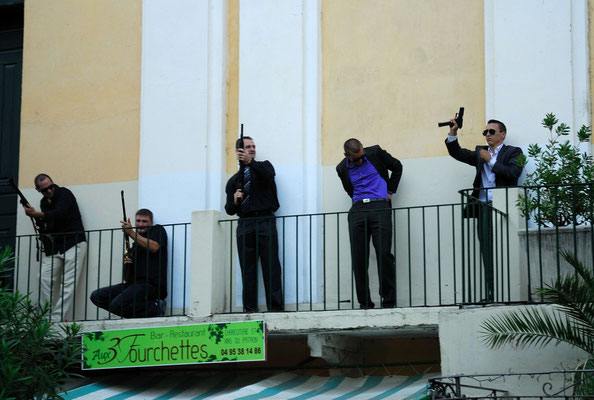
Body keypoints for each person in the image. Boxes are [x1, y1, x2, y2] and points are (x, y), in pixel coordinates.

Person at [445, 117, 523, 301]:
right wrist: (453, 132)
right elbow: (458, 153)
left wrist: (492, 162)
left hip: (503, 207)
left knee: (506, 250)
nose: (487, 134)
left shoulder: (513, 152)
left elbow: (513, 174)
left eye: (491, 131)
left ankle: (508, 292)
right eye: (485, 132)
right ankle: (492, 293)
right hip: (483, 208)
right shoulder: (480, 152)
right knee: (486, 251)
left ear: (502, 134)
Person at [336, 139, 403, 309]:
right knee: (359, 258)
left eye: (361, 157)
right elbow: (349, 189)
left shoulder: (375, 152)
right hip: (357, 209)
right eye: (355, 159)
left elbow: (397, 166)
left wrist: (389, 192)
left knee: (384, 254)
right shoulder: (341, 168)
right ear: (346, 156)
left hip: (379, 206)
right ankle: (364, 303)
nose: (360, 161)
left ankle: (388, 301)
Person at [225, 136, 284, 312]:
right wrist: (235, 201)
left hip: (265, 220)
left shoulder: (264, 166)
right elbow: (229, 209)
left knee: (271, 266)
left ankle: (275, 308)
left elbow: (268, 176)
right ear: (238, 152)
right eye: (248, 147)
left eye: (253, 146)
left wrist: (251, 163)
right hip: (245, 224)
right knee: (247, 269)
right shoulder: (234, 180)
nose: (252, 149)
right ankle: (249, 309)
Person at [23, 173, 87, 322]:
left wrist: (38, 214)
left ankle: (56, 319)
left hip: (74, 242)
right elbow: (49, 222)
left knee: (68, 283)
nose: (50, 190)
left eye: (51, 186)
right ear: (38, 190)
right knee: (44, 278)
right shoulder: (44, 203)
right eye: (45, 189)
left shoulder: (65, 193)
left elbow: (61, 213)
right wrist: (36, 217)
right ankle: (48, 315)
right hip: (56, 246)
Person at [90, 208, 167, 318]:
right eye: (138, 221)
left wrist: (131, 232)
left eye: (144, 221)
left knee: (117, 304)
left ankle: (155, 307)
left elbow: (155, 247)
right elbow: (128, 277)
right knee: (97, 296)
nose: (140, 224)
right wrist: (127, 263)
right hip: (134, 284)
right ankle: (142, 312)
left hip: (151, 285)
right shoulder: (135, 245)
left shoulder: (157, 230)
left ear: (151, 223)